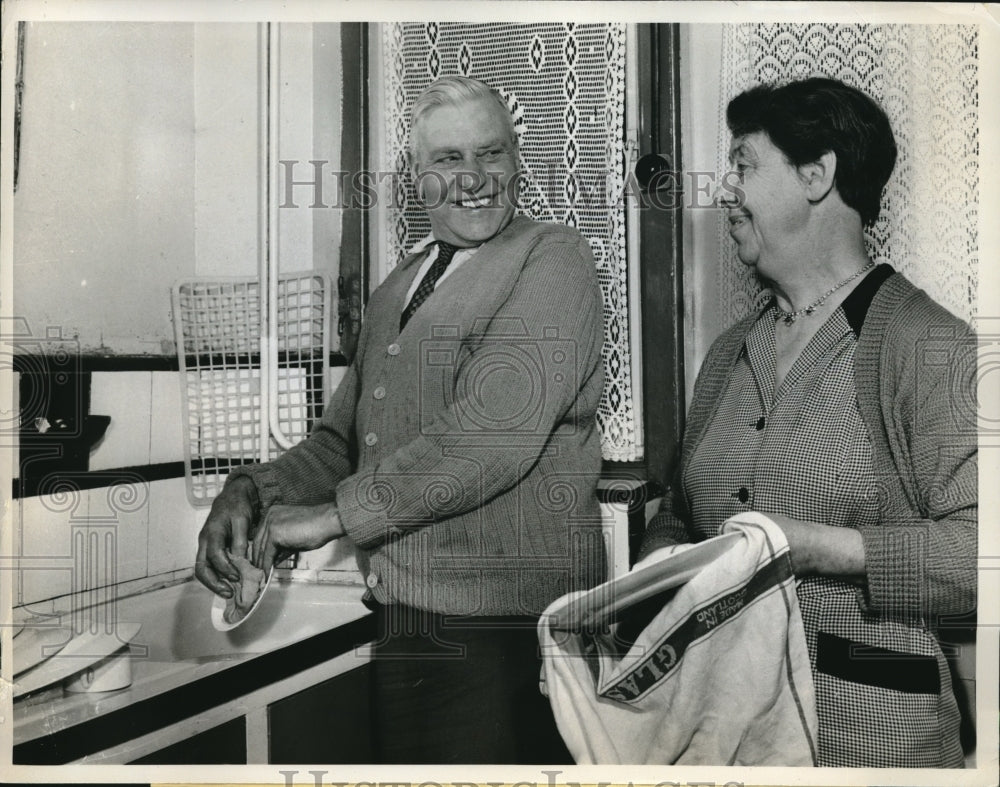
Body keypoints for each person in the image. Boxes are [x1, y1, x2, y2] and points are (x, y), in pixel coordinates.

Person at [194, 75, 607, 764]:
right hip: (407, 622)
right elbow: (339, 443)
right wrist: (254, 488)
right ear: (415, 177)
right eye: (449, 159)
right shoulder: (399, 287)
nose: (474, 178)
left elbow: (493, 431)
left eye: (493, 153)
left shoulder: (554, 258)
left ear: (518, 160)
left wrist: (329, 517)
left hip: (504, 634)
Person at [639, 77, 977, 768]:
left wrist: (816, 546)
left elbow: (983, 556)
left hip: (866, 743)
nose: (725, 190)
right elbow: (679, 510)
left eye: (743, 164)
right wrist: (658, 570)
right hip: (721, 736)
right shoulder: (730, 350)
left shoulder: (927, 344)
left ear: (817, 175)